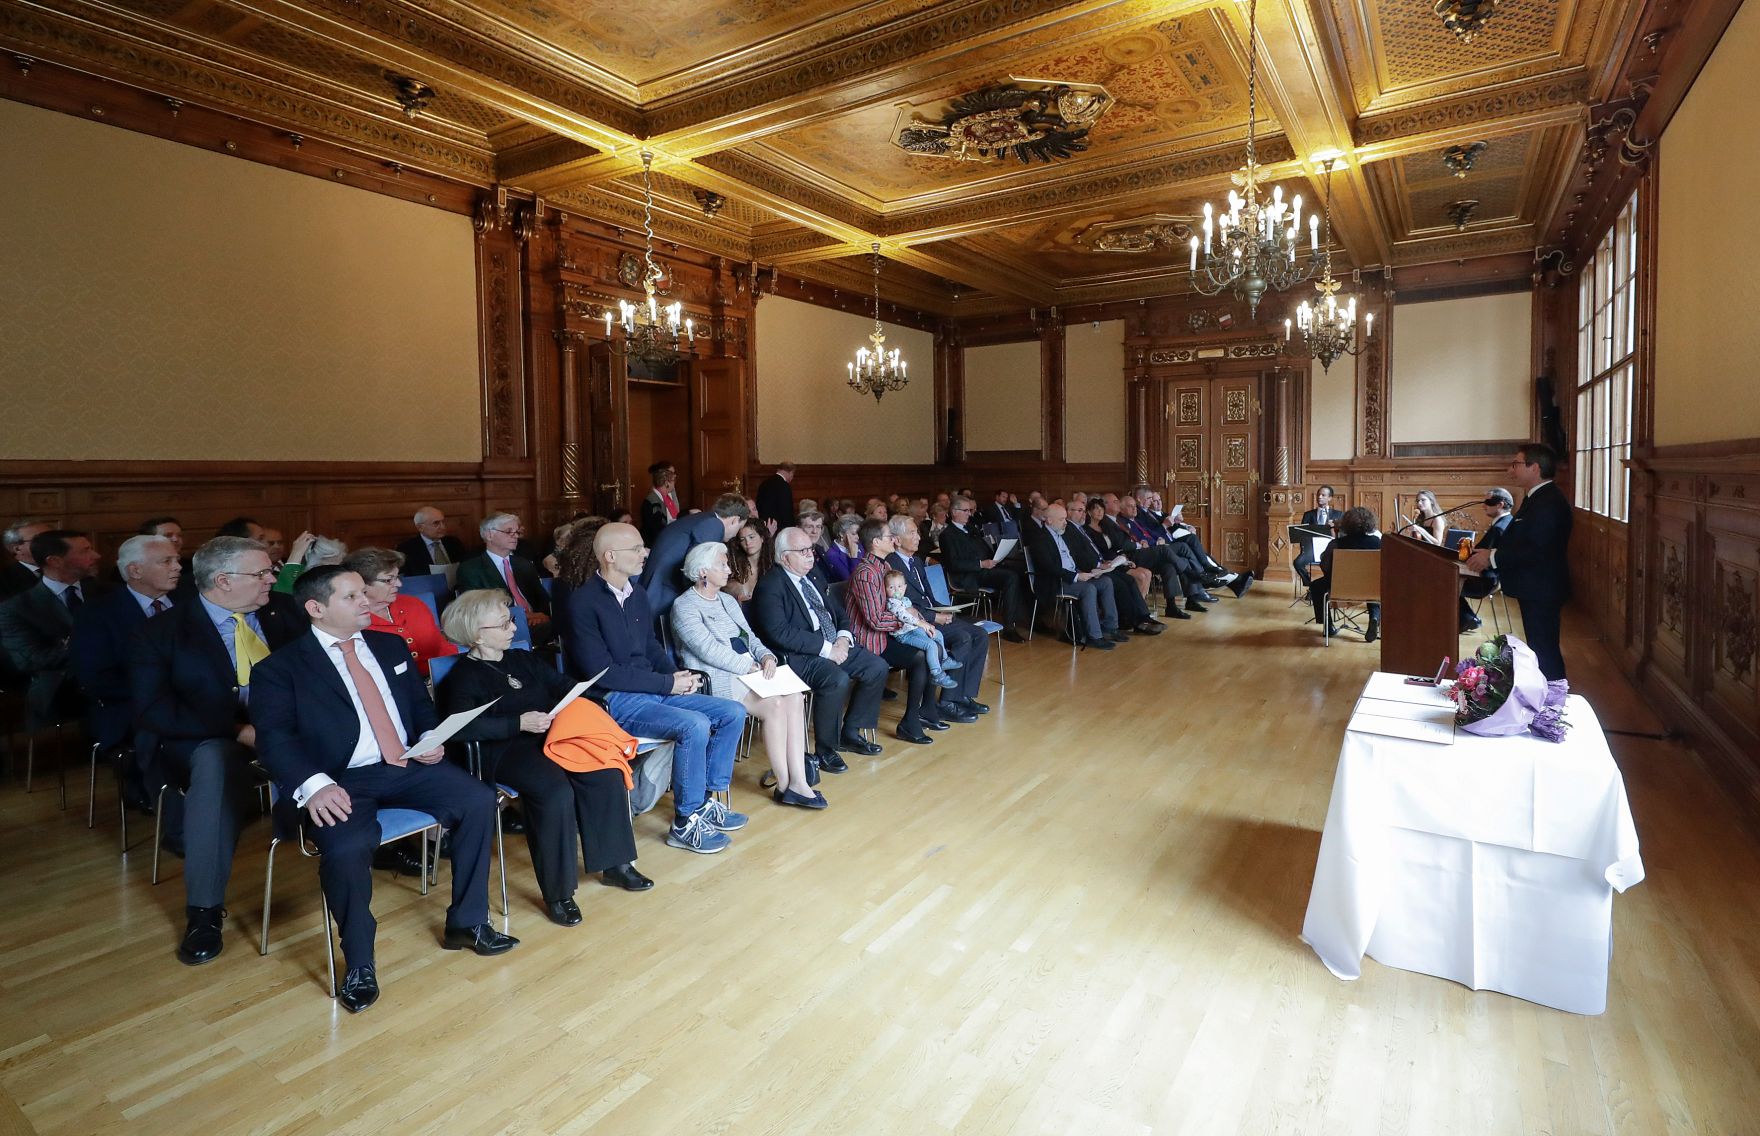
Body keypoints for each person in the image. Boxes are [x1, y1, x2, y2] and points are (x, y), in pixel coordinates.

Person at [252, 565, 516, 1014]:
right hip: (337, 778)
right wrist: (314, 787)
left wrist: (430, 741)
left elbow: (419, 706)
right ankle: (359, 960)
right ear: (316, 609)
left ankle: (468, 923)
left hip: (406, 762)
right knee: (349, 845)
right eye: (352, 597)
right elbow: (275, 740)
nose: (367, 603)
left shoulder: (388, 645)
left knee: (476, 799)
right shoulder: (280, 669)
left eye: (364, 594)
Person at [129, 536, 306, 965]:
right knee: (215, 764)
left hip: (281, 730)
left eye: (272, 570)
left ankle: (375, 841)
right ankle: (204, 911)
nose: (273, 579)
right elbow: (155, 710)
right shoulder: (162, 631)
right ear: (223, 581)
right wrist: (239, 730)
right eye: (262, 573)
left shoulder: (281, 614)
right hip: (206, 738)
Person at [437, 589, 650, 928]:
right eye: (505, 623)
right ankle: (559, 893)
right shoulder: (464, 677)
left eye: (511, 620)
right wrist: (516, 723)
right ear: (478, 635)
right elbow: (460, 728)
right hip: (504, 750)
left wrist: (580, 695)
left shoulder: (522, 659)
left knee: (603, 770)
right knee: (554, 791)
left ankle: (616, 864)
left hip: (551, 738)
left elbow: (561, 685)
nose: (513, 628)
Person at [567, 522, 748, 854]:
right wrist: (667, 682)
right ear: (610, 556)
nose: (645, 554)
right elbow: (600, 672)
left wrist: (678, 677)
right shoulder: (583, 602)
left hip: (653, 688)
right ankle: (685, 820)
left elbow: (650, 647)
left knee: (732, 712)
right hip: (614, 698)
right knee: (693, 724)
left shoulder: (636, 594)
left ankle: (705, 799)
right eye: (636, 549)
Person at [671, 543, 823, 810]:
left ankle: (799, 779)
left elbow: (750, 638)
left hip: (750, 670)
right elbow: (708, 650)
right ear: (703, 571)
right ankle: (786, 784)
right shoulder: (684, 606)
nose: (729, 569)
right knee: (776, 704)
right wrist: (749, 668)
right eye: (723, 565)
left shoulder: (727, 600)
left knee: (795, 697)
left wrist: (766, 657)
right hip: (717, 677)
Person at [749, 527, 888, 769]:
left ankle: (851, 732)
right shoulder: (770, 586)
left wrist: (843, 638)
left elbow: (838, 613)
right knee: (836, 679)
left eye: (810, 549)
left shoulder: (813, 577)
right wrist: (827, 649)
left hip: (832, 641)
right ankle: (826, 750)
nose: (810, 555)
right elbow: (780, 633)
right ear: (784, 557)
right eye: (802, 551)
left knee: (877, 666)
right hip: (798, 655)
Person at [72, 534, 181, 810]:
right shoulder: (99, 614)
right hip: (128, 705)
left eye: (177, 559)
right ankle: (163, 799)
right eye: (166, 561)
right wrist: (160, 694)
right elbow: (97, 679)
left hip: (192, 697)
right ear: (135, 570)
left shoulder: (190, 602)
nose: (178, 567)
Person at [1466, 444, 1573, 680]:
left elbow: (1536, 549)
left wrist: (1492, 557)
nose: (1510, 469)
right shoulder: (1536, 498)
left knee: (1545, 651)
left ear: (1534, 467)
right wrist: (1491, 552)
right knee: (1540, 647)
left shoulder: (1547, 503)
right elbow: (1522, 541)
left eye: (1516, 464)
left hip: (1541, 587)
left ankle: (1553, 702)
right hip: (1535, 586)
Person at [845, 519, 944, 743]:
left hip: (886, 635)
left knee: (932, 648)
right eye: (890, 536)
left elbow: (901, 602)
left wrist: (920, 621)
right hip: (867, 640)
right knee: (920, 656)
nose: (893, 540)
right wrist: (912, 622)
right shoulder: (866, 573)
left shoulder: (885, 567)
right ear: (876, 542)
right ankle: (909, 721)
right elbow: (875, 620)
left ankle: (915, 718)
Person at [884, 516, 990, 716]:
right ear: (897, 539)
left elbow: (928, 597)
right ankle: (947, 703)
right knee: (963, 638)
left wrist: (945, 610)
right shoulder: (892, 565)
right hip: (916, 625)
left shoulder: (915, 561)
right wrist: (933, 618)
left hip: (932, 614)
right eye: (912, 533)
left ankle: (963, 694)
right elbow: (902, 605)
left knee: (980, 635)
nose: (918, 537)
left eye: (917, 532)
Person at [1, 529, 106, 728]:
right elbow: (31, 659)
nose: (96, 556)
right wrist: (87, 644)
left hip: (113, 695)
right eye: (85, 551)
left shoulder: (106, 593)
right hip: (59, 702)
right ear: (55, 561)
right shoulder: (17, 609)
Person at [343, 548, 459, 677]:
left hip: (441, 679)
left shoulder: (414, 604)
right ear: (362, 584)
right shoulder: (352, 622)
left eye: (397, 577)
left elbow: (441, 645)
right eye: (389, 580)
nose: (398, 584)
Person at [1023, 504, 1117, 649]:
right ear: (1049, 520)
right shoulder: (1039, 539)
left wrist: (1089, 570)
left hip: (1072, 574)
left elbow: (1072, 558)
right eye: (1061, 519)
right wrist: (1076, 576)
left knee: (1106, 581)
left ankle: (1110, 627)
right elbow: (1050, 568)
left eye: (1065, 519)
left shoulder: (1060, 533)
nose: (1065, 522)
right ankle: (1094, 636)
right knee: (1088, 589)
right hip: (1054, 582)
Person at [936, 495, 1029, 641]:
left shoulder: (970, 528)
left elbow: (982, 549)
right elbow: (953, 564)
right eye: (965, 510)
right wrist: (981, 564)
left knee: (1021, 570)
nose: (969, 513)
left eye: (970, 510)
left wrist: (996, 558)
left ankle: (1026, 619)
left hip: (984, 569)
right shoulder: (947, 535)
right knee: (1010, 577)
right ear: (954, 512)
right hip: (969, 575)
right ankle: (1009, 627)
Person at [640, 493, 750, 616]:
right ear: (735, 520)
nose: (736, 535)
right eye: (739, 527)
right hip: (664, 592)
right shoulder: (714, 525)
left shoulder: (702, 519)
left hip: (656, 588)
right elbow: (699, 567)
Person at [457, 513, 554, 644]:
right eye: (509, 531)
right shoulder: (471, 568)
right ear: (489, 535)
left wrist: (542, 615)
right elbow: (478, 608)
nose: (515, 536)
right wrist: (524, 617)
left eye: (517, 532)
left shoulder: (523, 563)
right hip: (501, 626)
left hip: (536, 621)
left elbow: (542, 598)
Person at [1311, 506, 1382, 641]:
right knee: (1374, 585)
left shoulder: (1336, 543)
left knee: (1316, 586)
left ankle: (1328, 625)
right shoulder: (1376, 542)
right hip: (1369, 586)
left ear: (1346, 524)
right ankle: (1374, 618)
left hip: (1341, 587)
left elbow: (1324, 566)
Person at [883, 570, 960, 689]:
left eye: (899, 586)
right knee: (930, 645)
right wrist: (920, 623)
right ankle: (937, 674)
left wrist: (925, 623)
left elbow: (914, 613)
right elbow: (904, 616)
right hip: (904, 634)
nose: (896, 590)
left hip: (914, 628)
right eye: (891, 587)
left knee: (938, 634)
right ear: (885, 589)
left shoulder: (905, 600)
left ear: (904, 587)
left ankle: (944, 660)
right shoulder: (892, 603)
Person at [1459, 488, 1514, 632]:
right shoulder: (1506, 521)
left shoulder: (1499, 528)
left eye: (1488, 502)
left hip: (1486, 580)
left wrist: (1463, 553)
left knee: (1444, 584)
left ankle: (1466, 620)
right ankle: (1467, 619)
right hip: (1493, 577)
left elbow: (1482, 557)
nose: (1484, 506)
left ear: (1500, 505)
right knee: (1447, 581)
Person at [398, 506, 468, 579]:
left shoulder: (454, 543)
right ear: (420, 528)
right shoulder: (406, 549)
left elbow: (465, 568)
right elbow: (407, 579)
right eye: (436, 523)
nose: (443, 527)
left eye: (443, 522)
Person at [1, 517, 53, 600]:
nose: (51, 543)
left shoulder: (70, 569)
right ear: (17, 549)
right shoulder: (4, 580)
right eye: (39, 539)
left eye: (52, 537)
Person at [1293, 485, 1338, 581]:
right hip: (1311, 549)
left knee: (1334, 564)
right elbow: (1302, 535)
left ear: (1330, 498)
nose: (1319, 497)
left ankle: (1328, 587)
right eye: (1318, 495)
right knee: (1298, 563)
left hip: (1330, 549)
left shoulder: (1338, 514)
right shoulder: (1308, 514)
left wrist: (1333, 527)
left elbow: (1342, 535)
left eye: (1323, 495)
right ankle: (1310, 585)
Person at [724, 519, 772, 603]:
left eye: (751, 537)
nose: (747, 542)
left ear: (762, 538)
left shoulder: (772, 566)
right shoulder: (734, 567)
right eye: (742, 539)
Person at [639, 460, 681, 546]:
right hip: (655, 545)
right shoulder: (652, 501)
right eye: (673, 481)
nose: (674, 484)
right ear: (666, 483)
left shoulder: (665, 497)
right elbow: (656, 530)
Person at [755, 461, 795, 533]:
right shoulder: (784, 486)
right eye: (793, 474)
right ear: (791, 472)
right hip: (779, 528)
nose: (792, 477)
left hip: (763, 525)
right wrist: (791, 528)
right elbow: (786, 510)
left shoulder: (764, 483)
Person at [823, 513, 865, 583]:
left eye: (859, 533)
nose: (858, 537)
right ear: (841, 534)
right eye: (854, 534)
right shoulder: (832, 555)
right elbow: (851, 580)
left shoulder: (859, 545)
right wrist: (854, 557)